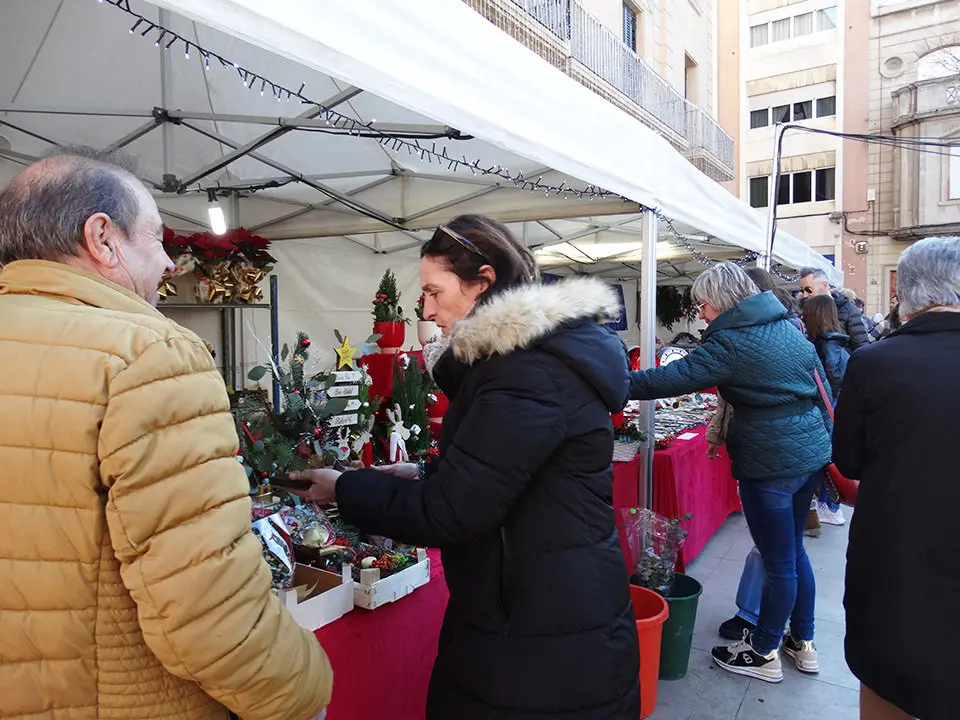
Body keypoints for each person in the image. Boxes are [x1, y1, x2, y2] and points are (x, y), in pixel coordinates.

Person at [0, 148, 331, 720]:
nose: (171, 264)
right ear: (102, 238)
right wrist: (303, 693)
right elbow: (207, 606)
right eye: (156, 239)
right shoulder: (150, 355)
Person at [290, 215, 640, 719]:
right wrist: (425, 474)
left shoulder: (527, 371)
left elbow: (453, 512)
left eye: (435, 293)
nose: (427, 310)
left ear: (483, 283)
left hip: (540, 630)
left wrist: (347, 489)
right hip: (535, 607)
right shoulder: (523, 360)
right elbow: (509, 477)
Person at [630, 263, 831, 683]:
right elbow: (818, 387)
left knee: (779, 563)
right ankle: (803, 641)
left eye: (701, 305)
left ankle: (763, 651)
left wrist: (607, 378)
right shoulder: (785, 326)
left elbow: (670, 379)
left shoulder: (732, 341)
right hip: (807, 452)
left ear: (721, 301)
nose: (700, 315)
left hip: (771, 460)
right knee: (792, 553)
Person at [835, 236, 960, 720]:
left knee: (892, 686)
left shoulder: (876, 362)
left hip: (900, 558)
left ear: (905, 295)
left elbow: (848, 462)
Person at [801, 294, 850, 527]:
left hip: (825, 411)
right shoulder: (839, 343)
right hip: (837, 409)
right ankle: (829, 505)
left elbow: (825, 384)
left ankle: (829, 506)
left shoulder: (822, 346)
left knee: (825, 461)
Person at [799, 267, 872, 351]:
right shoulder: (802, 310)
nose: (805, 295)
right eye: (802, 291)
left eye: (809, 289)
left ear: (825, 285)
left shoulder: (849, 310)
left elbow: (861, 347)